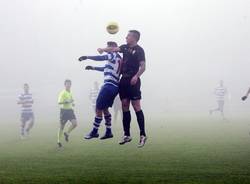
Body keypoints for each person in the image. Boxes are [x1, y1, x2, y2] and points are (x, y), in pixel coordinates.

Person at [97, 30, 147, 148]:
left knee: (136, 106)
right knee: (124, 105)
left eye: (128, 36)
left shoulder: (139, 50)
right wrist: (103, 49)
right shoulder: (124, 47)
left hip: (133, 80)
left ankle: (143, 135)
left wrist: (136, 76)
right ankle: (127, 135)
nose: (126, 37)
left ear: (134, 38)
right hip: (123, 81)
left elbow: (143, 66)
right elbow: (113, 49)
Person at [79, 41, 122, 140]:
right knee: (105, 109)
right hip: (115, 87)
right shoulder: (118, 58)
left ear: (113, 47)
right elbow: (105, 68)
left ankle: (94, 131)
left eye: (108, 47)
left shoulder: (113, 54)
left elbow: (101, 58)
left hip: (108, 86)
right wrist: (93, 68)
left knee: (98, 108)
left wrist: (87, 57)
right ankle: (108, 131)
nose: (107, 49)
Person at [57, 79, 78, 148]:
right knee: (61, 127)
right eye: (67, 84)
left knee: (75, 124)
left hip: (70, 111)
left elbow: (71, 100)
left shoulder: (70, 92)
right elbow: (59, 102)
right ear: (65, 85)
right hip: (64, 111)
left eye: (69, 84)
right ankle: (59, 141)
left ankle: (67, 133)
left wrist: (73, 103)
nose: (68, 85)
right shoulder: (62, 93)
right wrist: (65, 102)